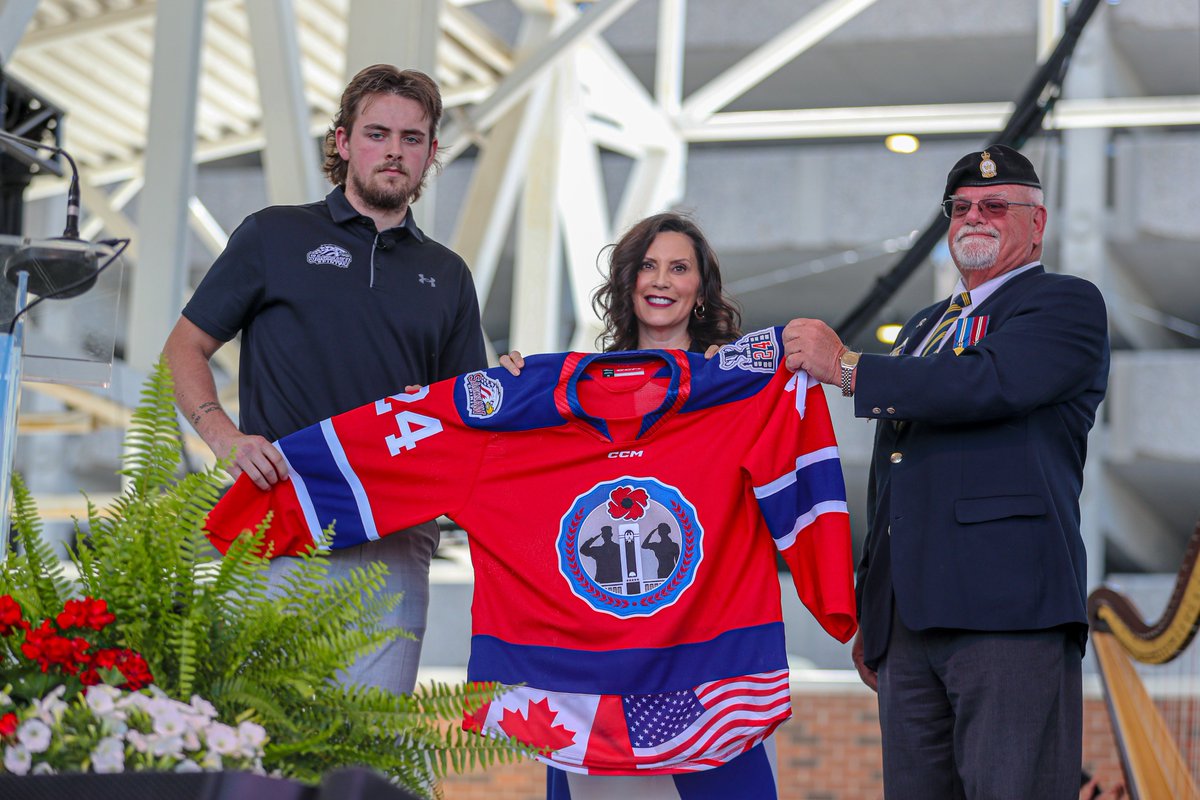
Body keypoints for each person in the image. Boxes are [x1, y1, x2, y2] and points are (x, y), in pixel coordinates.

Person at [782, 144, 1110, 799]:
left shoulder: (1063, 304)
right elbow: (892, 479)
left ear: (1037, 224)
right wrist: (876, 609)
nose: (974, 218)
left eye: (995, 205)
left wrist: (848, 368)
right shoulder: (925, 328)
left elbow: (988, 382)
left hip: (1008, 615)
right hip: (908, 621)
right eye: (960, 208)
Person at [162, 65, 487, 695]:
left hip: (393, 537)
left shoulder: (447, 275)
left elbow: (462, 415)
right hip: (280, 515)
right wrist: (224, 437)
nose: (394, 150)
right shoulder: (274, 234)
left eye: (413, 139)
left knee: (365, 748)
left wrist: (510, 388)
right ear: (342, 143)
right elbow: (184, 348)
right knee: (254, 736)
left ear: (431, 155)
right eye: (377, 133)